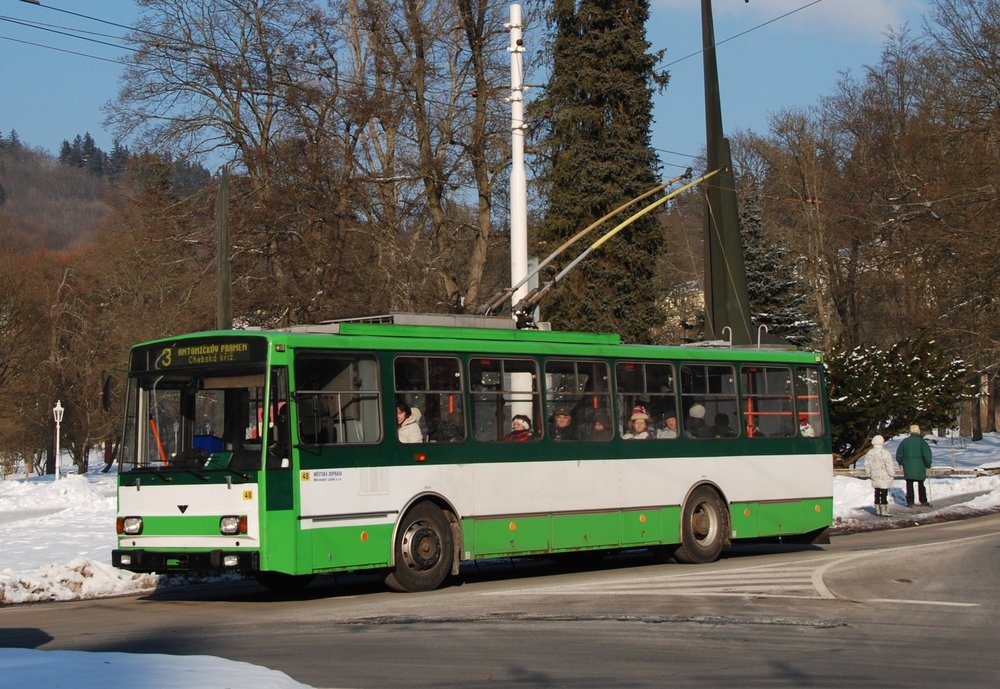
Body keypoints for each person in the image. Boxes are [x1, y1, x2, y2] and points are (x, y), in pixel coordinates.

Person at [896, 424, 933, 507]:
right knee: (921, 484)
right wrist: (928, 465)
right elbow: (927, 455)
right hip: (920, 466)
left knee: (909, 484)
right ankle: (923, 501)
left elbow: (899, 454)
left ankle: (910, 502)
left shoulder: (905, 441)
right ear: (918, 431)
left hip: (908, 466)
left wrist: (900, 463)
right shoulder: (922, 442)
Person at [864, 434, 897, 516]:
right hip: (884, 476)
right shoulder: (885, 453)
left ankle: (877, 509)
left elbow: (866, 464)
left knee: (877, 492)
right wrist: (892, 473)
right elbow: (889, 465)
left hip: (875, 475)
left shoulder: (870, 453)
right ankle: (884, 509)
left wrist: (868, 472)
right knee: (884, 493)